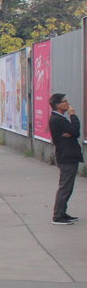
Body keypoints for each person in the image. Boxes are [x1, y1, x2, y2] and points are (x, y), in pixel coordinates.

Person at [49, 92, 81, 224]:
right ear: (57, 105)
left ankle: (62, 212)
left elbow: (72, 133)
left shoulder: (60, 118)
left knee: (68, 187)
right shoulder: (57, 119)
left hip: (68, 155)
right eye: (64, 101)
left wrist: (71, 132)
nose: (67, 102)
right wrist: (73, 115)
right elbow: (76, 132)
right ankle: (58, 216)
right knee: (65, 187)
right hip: (66, 156)